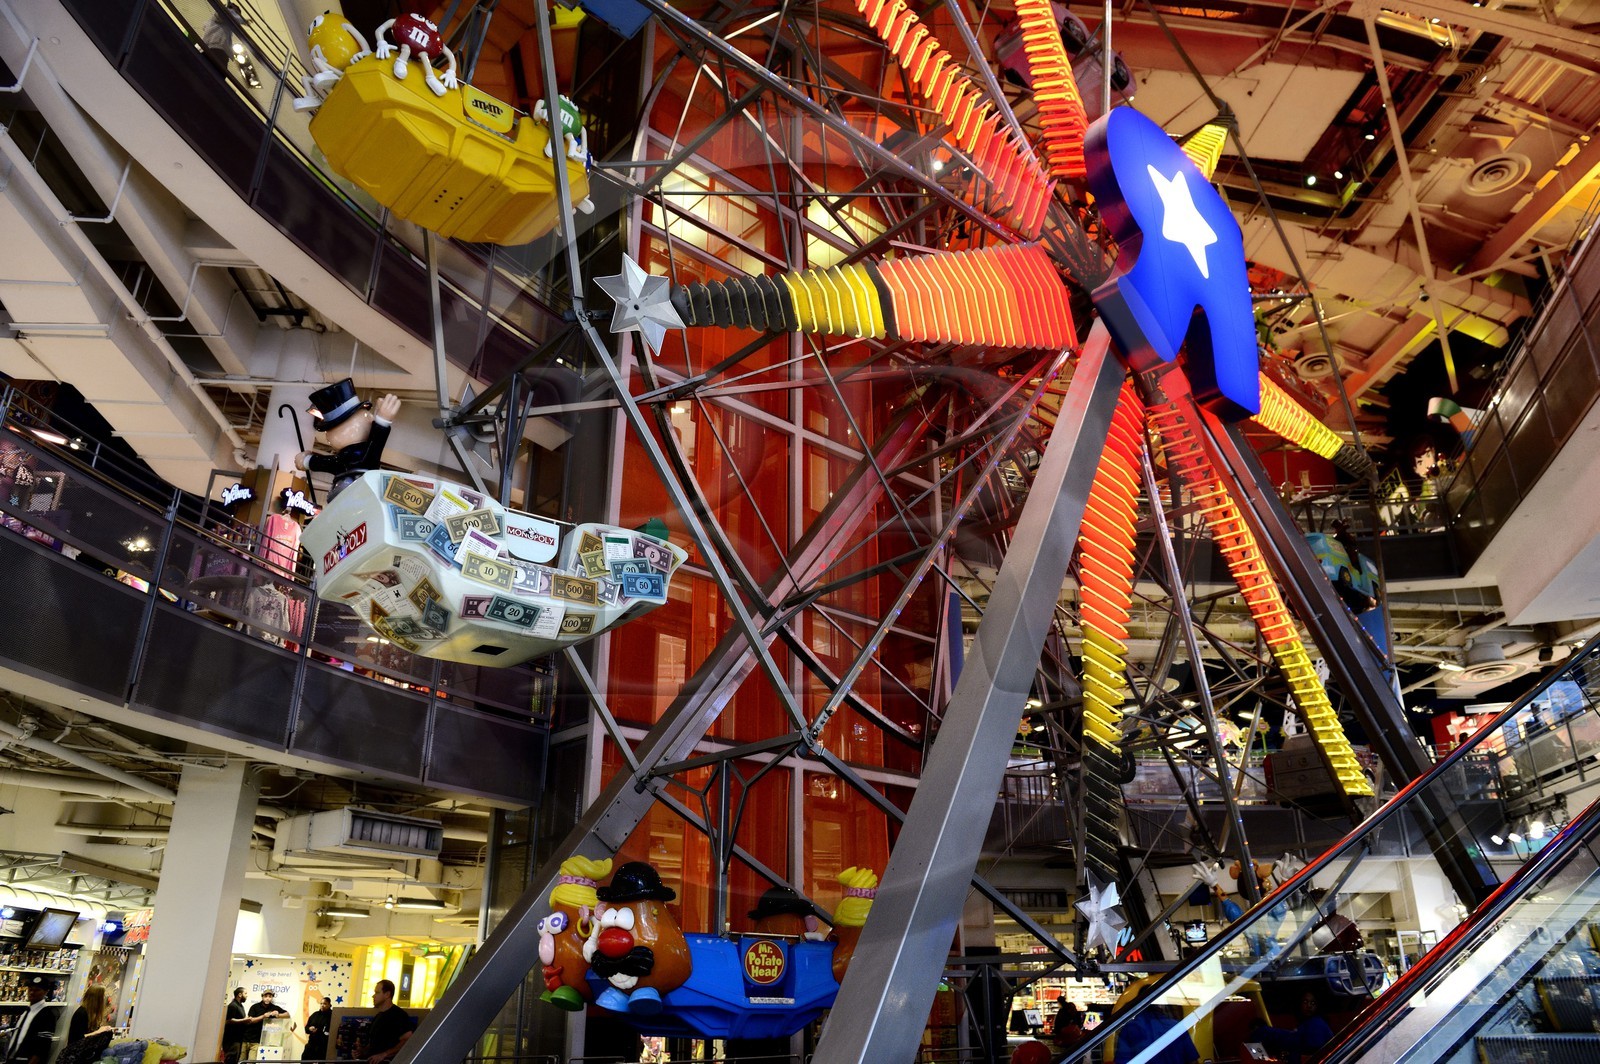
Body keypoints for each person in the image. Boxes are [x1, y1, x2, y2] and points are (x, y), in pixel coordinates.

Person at [1253, 991, 1333, 1064]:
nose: (1309, 1006)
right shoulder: (1305, 1025)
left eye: (1313, 1003)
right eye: (1305, 1002)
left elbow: (1311, 1050)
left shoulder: (1316, 1024)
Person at [6, 976, 64, 1064]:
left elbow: (42, 1047)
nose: (32, 993)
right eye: (30, 989)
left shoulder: (47, 1015)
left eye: (37, 990)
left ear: (45, 992)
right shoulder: (26, 1011)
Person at [362, 980, 413, 1064]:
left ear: (387, 994)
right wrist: (362, 1051)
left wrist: (384, 1054)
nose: (373, 996)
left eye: (377, 992)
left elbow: (407, 1040)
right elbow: (374, 1044)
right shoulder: (378, 1016)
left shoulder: (399, 1015)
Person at [221, 986, 252, 1064]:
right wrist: (244, 1020)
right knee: (230, 1060)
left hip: (238, 1039)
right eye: (245, 993)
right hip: (231, 1040)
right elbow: (228, 1020)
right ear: (240, 994)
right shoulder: (233, 1005)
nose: (247, 995)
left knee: (235, 1060)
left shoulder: (240, 1006)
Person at [304, 996, 333, 1062]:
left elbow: (331, 1030)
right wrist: (309, 1029)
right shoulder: (315, 1015)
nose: (322, 1005)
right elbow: (306, 1028)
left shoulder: (332, 1015)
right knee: (305, 1059)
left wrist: (319, 1031)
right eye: (321, 1003)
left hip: (323, 1046)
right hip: (311, 1044)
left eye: (325, 1004)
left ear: (329, 1005)